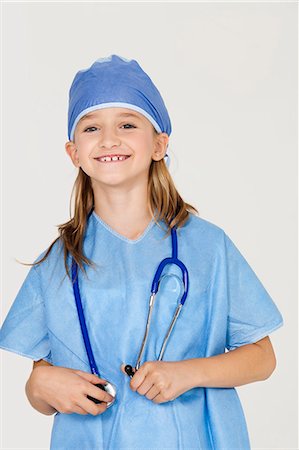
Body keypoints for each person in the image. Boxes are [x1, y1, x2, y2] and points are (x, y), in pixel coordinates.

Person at [0, 54, 284, 450]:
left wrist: (188, 374)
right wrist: (38, 384)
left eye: (128, 125)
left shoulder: (207, 246)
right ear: (74, 153)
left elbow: (262, 358)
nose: (109, 139)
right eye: (92, 127)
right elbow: (42, 390)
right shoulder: (59, 262)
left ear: (159, 144)